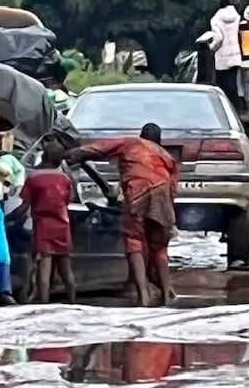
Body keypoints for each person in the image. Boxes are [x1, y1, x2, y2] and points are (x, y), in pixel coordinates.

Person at [66, 123, 178, 307]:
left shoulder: (131, 143)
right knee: (159, 249)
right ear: (159, 141)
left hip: (138, 194)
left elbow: (98, 149)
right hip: (163, 198)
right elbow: (173, 188)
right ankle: (167, 294)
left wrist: (72, 153)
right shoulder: (167, 157)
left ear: (142, 135)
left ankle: (143, 294)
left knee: (134, 241)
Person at [20, 145, 76, 304]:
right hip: (62, 227)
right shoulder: (64, 178)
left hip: (43, 227)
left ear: (43, 156)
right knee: (67, 271)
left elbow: (25, 204)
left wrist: (10, 218)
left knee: (44, 270)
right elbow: (70, 199)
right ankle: (73, 302)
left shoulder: (33, 177)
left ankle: (44, 304)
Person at [211, 0, 242, 106]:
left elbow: (219, 38)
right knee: (233, 83)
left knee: (223, 85)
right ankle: (236, 105)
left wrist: (212, 47)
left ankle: (225, 105)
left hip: (222, 57)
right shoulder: (237, 17)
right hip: (235, 55)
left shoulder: (215, 19)